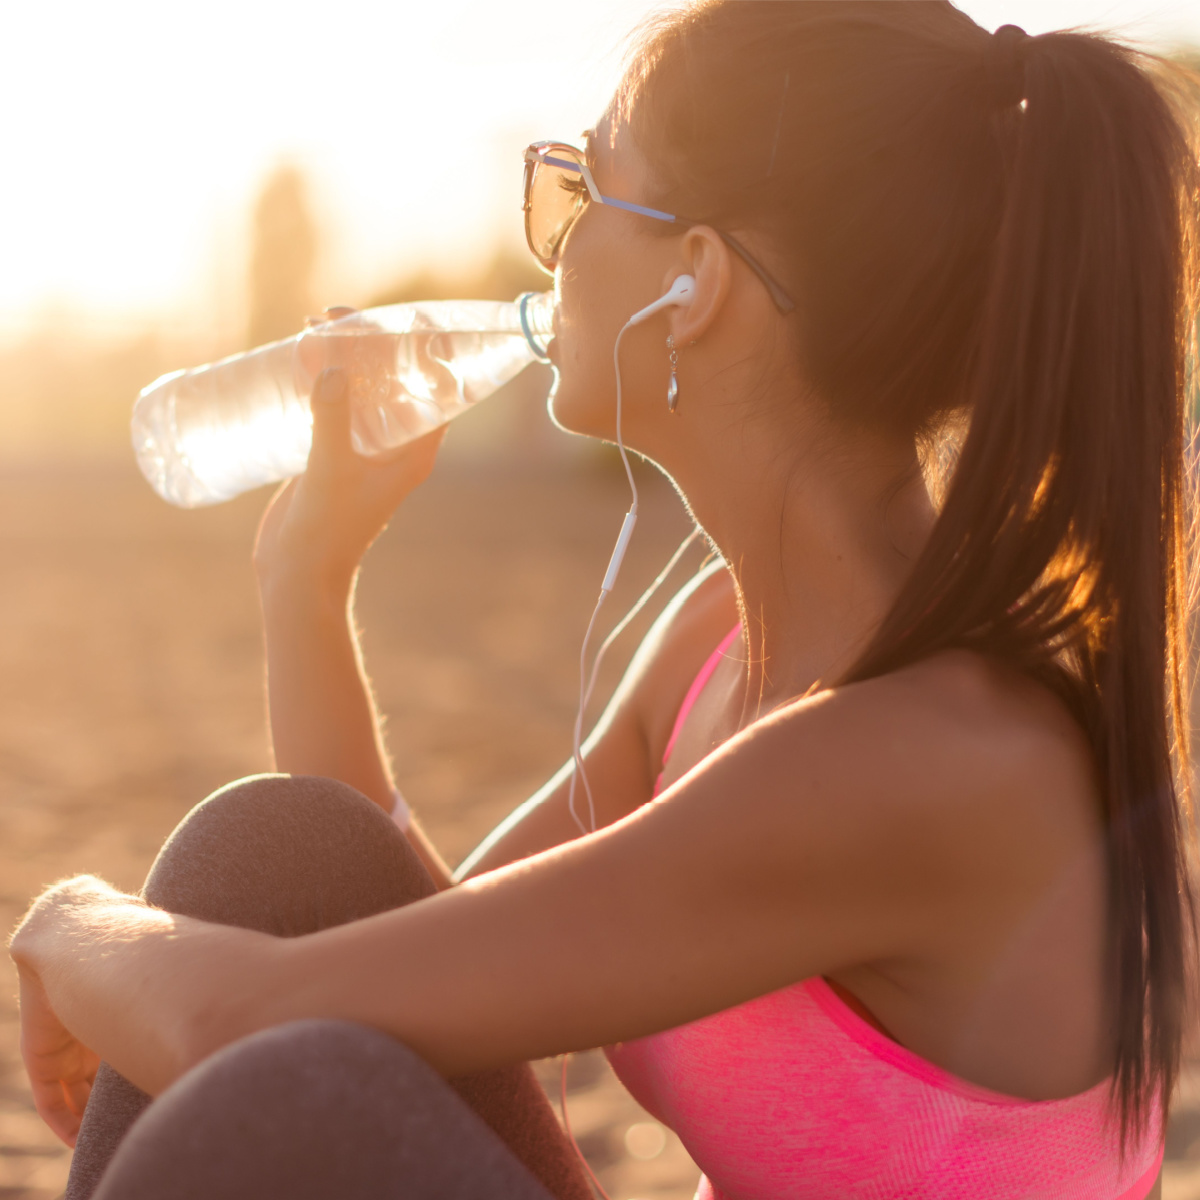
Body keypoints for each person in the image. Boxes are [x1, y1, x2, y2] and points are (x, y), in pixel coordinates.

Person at [9, 2, 1198, 1197]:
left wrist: (65, 925)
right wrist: (307, 576)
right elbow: (396, 962)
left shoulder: (923, 758)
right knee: (273, 851)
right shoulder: (717, 648)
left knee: (273, 1099)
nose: (554, 242)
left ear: (692, 283)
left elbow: (247, 1030)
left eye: (582, 191)